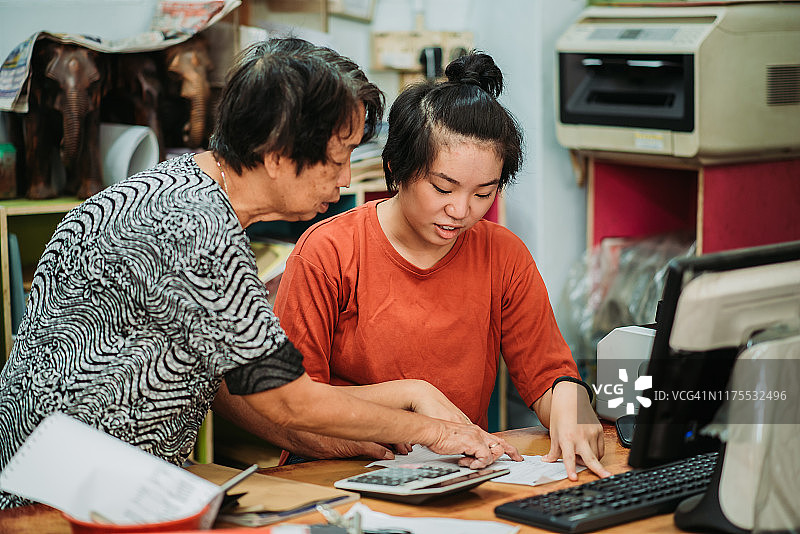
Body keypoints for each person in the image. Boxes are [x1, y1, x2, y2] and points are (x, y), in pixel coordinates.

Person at [0, 38, 521, 509]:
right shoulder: (199, 229)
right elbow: (287, 400)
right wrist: (430, 431)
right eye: (336, 161)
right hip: (58, 496)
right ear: (276, 154)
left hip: (75, 474)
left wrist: (407, 399)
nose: (343, 184)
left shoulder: (171, 186)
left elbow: (247, 380)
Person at [272, 51, 611, 480]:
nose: (461, 210)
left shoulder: (503, 255)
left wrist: (568, 398)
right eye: (442, 187)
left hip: (457, 473)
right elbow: (293, 405)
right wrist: (411, 404)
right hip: (337, 471)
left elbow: (547, 373)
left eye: (483, 193)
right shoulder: (329, 252)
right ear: (397, 168)